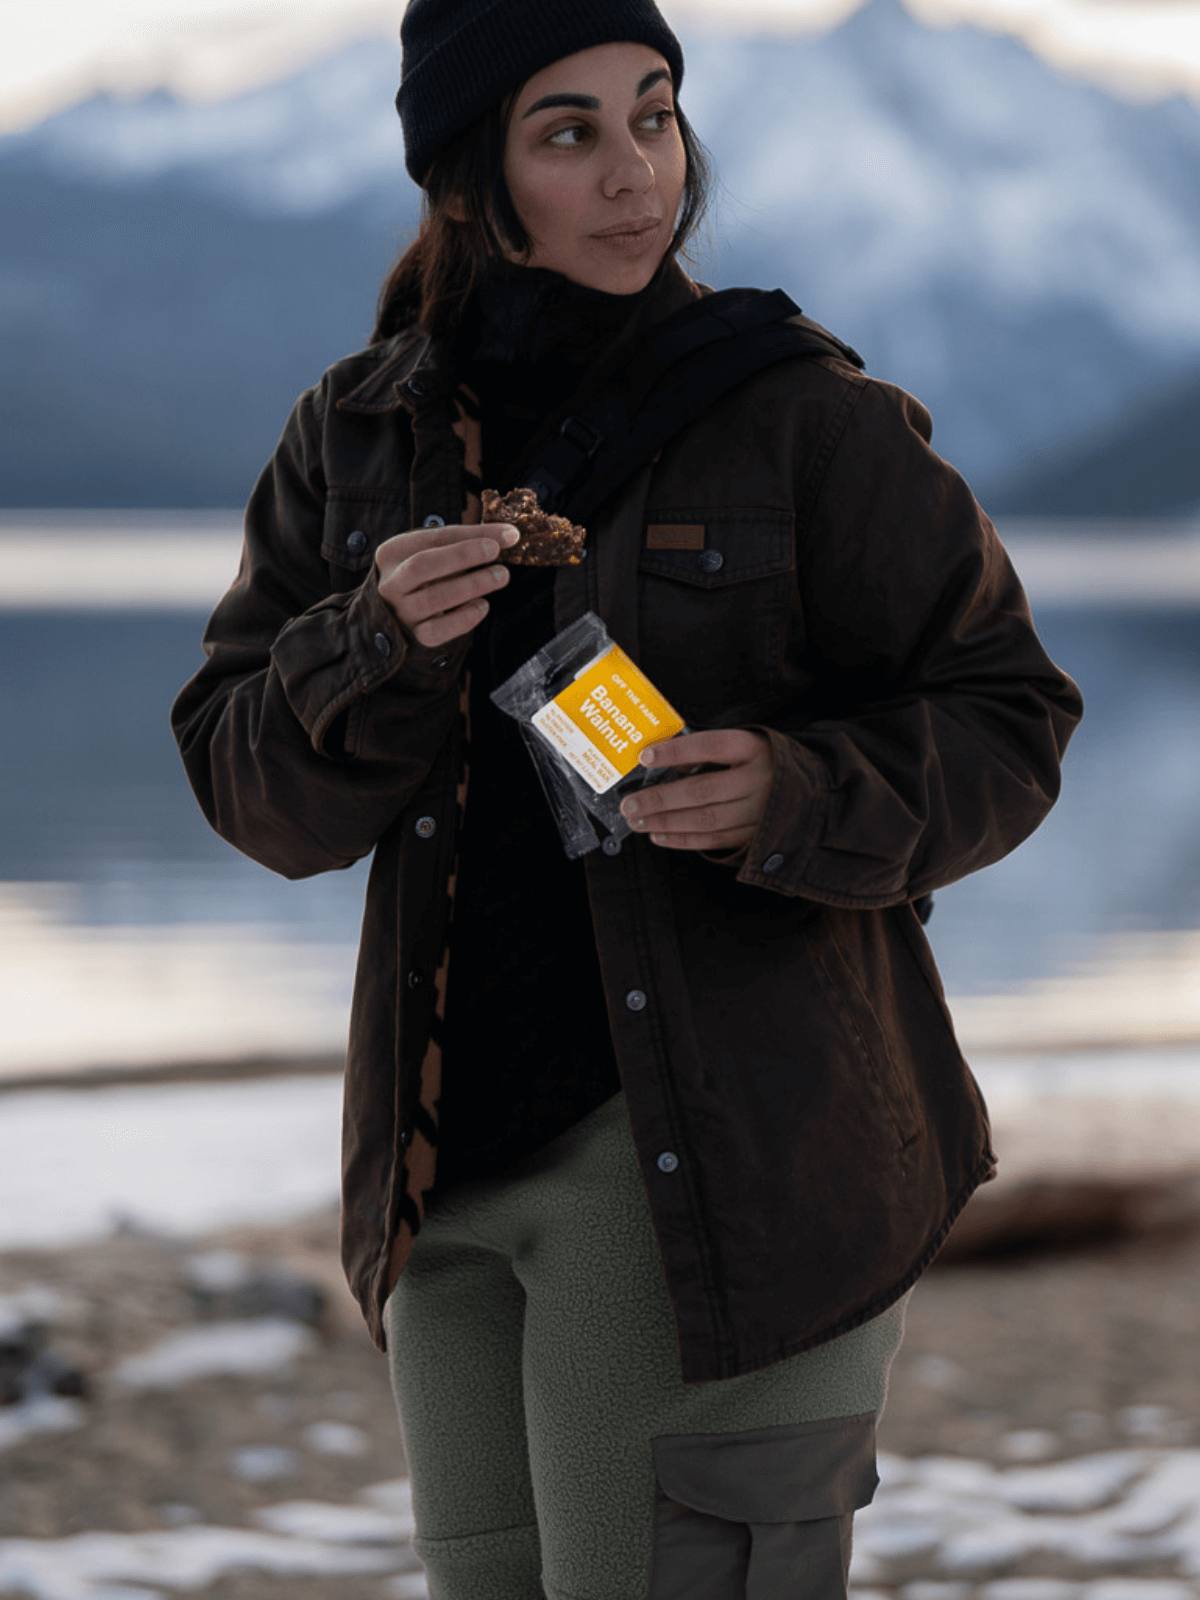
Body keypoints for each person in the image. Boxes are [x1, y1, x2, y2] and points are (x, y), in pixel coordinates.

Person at [172, 1, 1083, 1594]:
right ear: (469, 182)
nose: (635, 173)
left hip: (724, 1179)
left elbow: (1009, 716)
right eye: (569, 132)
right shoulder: (360, 433)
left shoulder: (802, 416)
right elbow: (256, 795)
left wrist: (797, 790)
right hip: (440, 1189)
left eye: (653, 115)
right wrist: (372, 643)